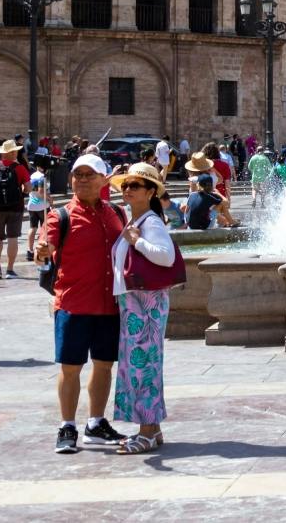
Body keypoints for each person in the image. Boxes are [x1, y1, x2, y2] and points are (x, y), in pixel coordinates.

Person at [35, 155, 126, 455]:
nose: (82, 179)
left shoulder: (116, 214)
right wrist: (40, 252)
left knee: (103, 365)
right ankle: (67, 426)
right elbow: (44, 250)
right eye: (77, 175)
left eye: (89, 174)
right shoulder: (59, 216)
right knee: (71, 367)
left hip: (108, 304)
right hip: (73, 303)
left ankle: (96, 424)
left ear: (104, 179)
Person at [110, 163, 176, 455]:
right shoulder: (135, 220)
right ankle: (153, 428)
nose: (127, 189)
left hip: (145, 305)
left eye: (135, 185)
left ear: (150, 192)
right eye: (125, 185)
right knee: (138, 364)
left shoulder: (150, 224)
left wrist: (137, 242)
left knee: (143, 366)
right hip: (134, 304)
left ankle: (146, 432)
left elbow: (166, 257)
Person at [0, 139, 32, 278]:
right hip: (16, 207)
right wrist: (20, 191)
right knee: (13, 238)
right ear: (13, 153)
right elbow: (28, 187)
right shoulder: (20, 168)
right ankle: (9, 269)